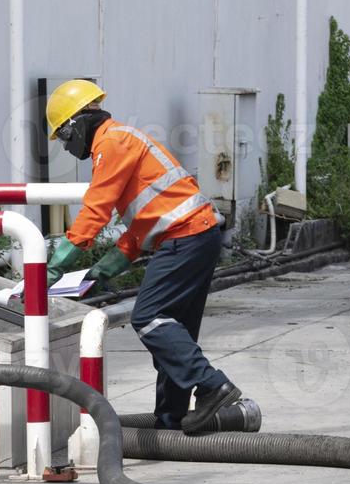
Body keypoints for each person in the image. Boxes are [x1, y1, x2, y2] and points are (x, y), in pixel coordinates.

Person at [44, 79, 244, 434]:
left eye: (62, 137)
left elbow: (95, 210)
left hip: (185, 238)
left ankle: (213, 386)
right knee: (173, 331)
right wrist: (102, 271)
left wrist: (54, 265)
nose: (65, 145)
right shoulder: (123, 139)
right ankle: (172, 418)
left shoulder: (112, 142)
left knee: (149, 316)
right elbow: (141, 225)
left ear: (74, 125)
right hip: (195, 236)